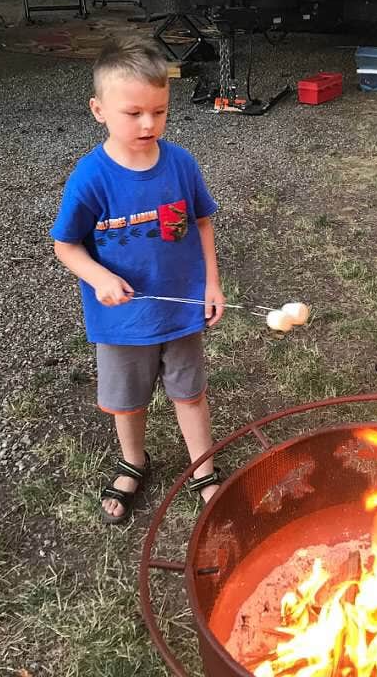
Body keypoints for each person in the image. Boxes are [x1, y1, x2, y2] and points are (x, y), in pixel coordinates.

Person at [51, 34, 225, 524]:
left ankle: (203, 470)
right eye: (134, 113)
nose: (149, 123)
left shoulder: (181, 163)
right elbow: (66, 244)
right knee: (127, 402)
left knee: (190, 392)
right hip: (123, 322)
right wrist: (98, 275)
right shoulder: (91, 178)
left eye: (160, 111)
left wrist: (211, 284)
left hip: (181, 310)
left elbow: (203, 221)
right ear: (99, 109)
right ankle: (134, 461)